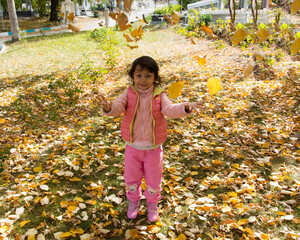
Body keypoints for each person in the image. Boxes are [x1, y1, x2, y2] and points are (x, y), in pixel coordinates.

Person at [97, 56, 202, 222]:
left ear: (155, 77)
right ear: (132, 77)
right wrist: (108, 107)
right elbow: (118, 106)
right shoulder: (129, 93)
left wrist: (185, 107)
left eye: (148, 76)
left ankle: (152, 204)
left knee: (154, 179)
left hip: (153, 148)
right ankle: (133, 201)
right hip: (133, 147)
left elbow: (169, 109)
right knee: (131, 178)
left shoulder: (160, 95)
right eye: (139, 75)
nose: (143, 80)